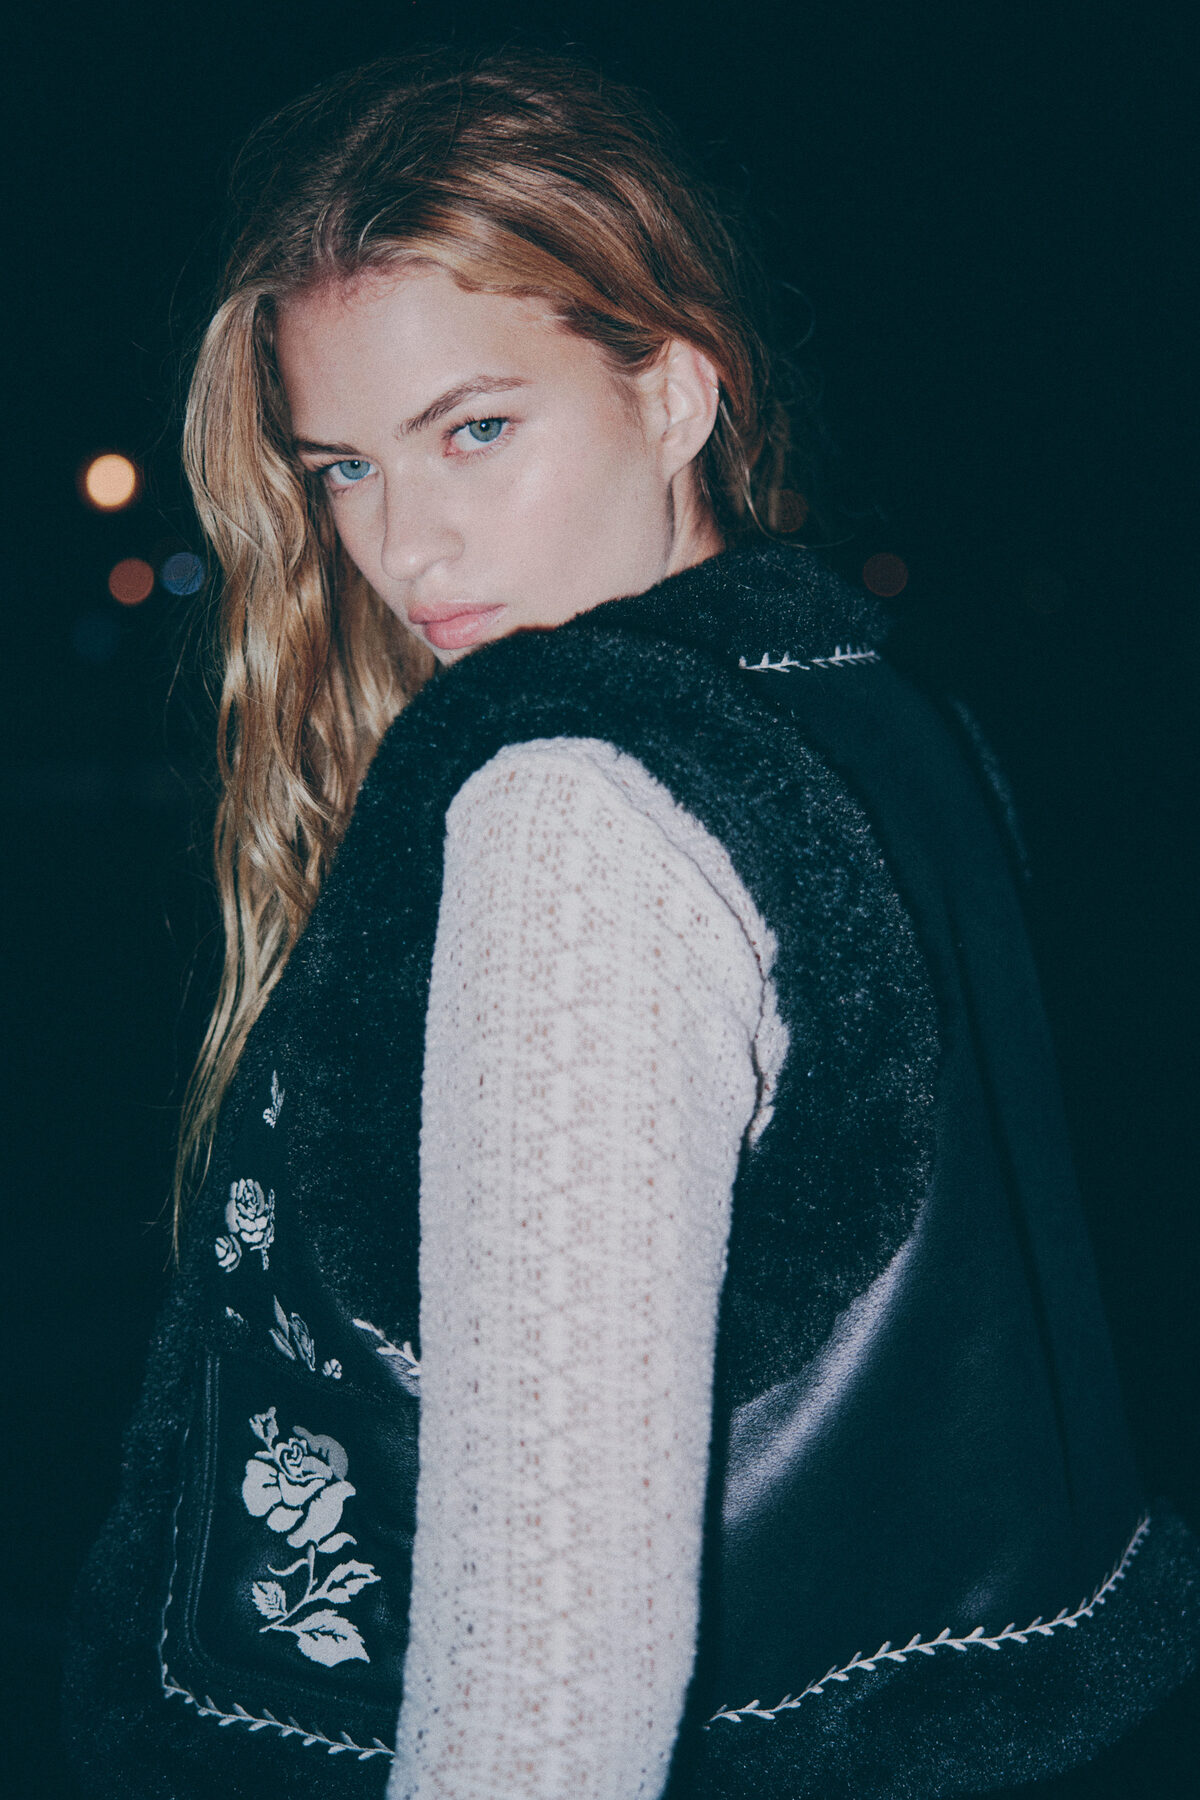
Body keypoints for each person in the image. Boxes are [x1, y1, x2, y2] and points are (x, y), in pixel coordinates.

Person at [65, 47, 1199, 1800]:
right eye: (344, 467)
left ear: (673, 392)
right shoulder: (872, 704)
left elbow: (543, 1696)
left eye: (476, 431)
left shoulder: (568, 804)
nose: (404, 546)